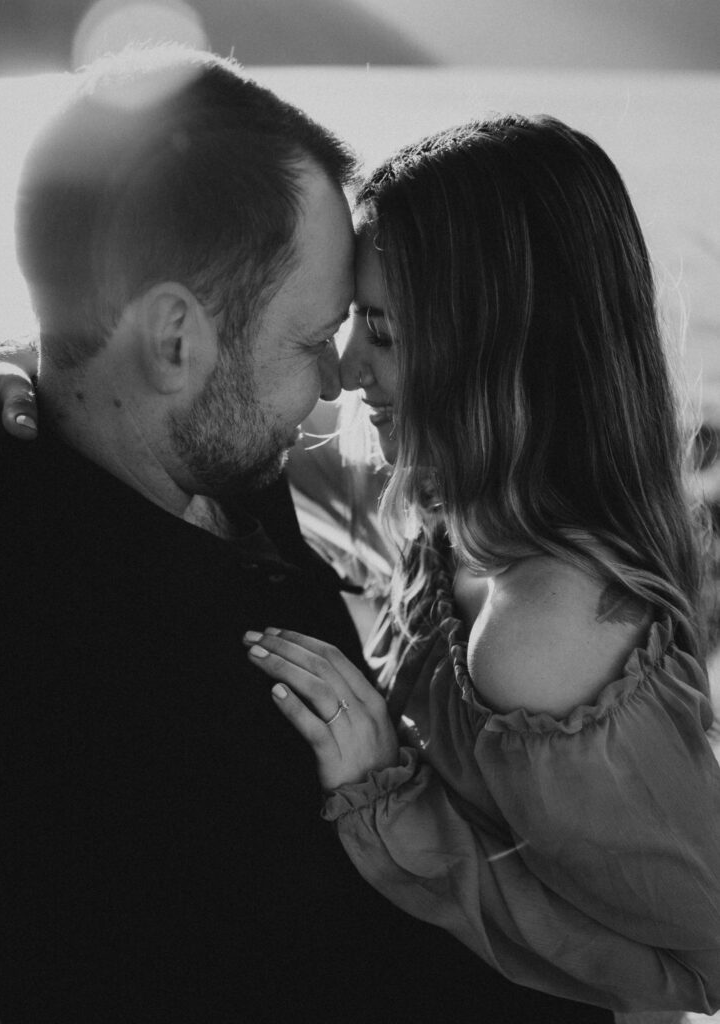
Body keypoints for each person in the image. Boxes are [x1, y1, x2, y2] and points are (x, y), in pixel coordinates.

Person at [0, 49, 620, 1024]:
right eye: (309, 339)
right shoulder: (79, 677)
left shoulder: (198, 455)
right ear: (173, 341)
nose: (336, 384)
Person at [236, 116, 720, 1015]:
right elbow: (212, 426)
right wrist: (24, 375)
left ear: (500, 343)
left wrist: (390, 803)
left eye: (379, 329)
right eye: (350, 321)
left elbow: (696, 959)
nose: (345, 370)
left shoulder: (544, 633)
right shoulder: (453, 511)